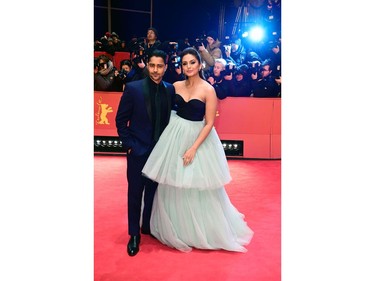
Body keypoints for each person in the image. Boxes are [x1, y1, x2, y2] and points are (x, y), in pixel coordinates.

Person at [141, 47, 254, 253]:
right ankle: (175, 228)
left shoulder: (208, 89)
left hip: (198, 139)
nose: (188, 66)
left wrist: (193, 148)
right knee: (172, 182)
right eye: (184, 63)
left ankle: (199, 231)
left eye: (192, 62)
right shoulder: (174, 86)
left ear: (200, 64)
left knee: (196, 186)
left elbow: (209, 123)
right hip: (173, 135)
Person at [115, 49, 176, 257]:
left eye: (160, 66)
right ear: (147, 65)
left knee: (152, 192)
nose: (156, 70)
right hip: (138, 151)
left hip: (160, 153)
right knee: (135, 194)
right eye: (152, 65)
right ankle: (134, 234)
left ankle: (147, 226)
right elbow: (120, 120)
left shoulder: (170, 90)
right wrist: (129, 145)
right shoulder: (133, 89)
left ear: (165, 67)